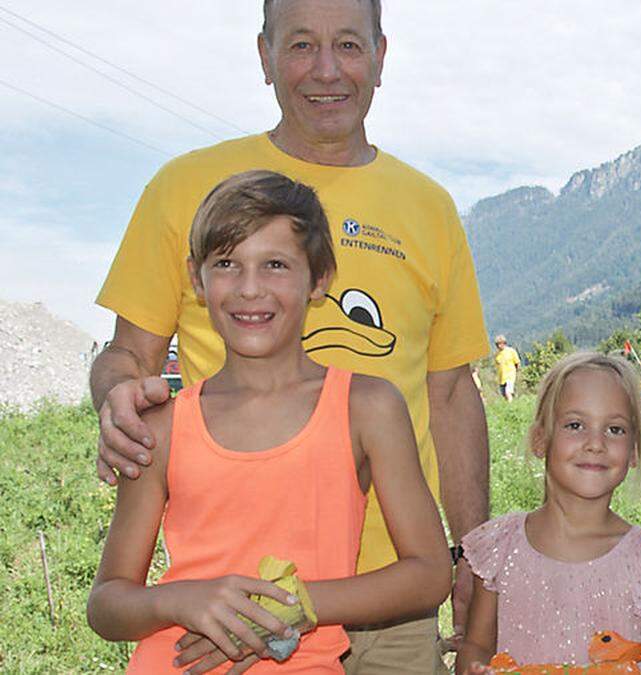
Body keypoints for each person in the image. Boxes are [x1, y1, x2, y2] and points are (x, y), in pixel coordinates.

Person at [89, 1, 490, 671]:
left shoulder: (430, 207)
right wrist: (116, 400)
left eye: (348, 46)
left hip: (390, 594)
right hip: (220, 616)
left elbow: (451, 393)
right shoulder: (184, 186)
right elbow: (127, 355)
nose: (326, 70)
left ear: (381, 56)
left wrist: (472, 552)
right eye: (301, 44)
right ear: (264, 54)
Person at [87, 171, 452, 673]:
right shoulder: (165, 425)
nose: (249, 288)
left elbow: (430, 574)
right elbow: (107, 604)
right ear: (197, 279)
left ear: (319, 278)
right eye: (227, 265)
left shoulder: (366, 406)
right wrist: (180, 602)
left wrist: (294, 606)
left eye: (275, 264)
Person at [456, 352, 641, 675]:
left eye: (615, 429)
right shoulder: (501, 548)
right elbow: (478, 644)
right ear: (540, 440)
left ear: (634, 450)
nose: (595, 443)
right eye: (575, 425)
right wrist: (473, 667)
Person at [492, 335, 520, 401]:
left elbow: (517, 362)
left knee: (508, 392)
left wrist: (517, 371)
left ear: (504, 343)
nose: (499, 346)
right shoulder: (497, 355)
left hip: (510, 375)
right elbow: (497, 366)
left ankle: (511, 406)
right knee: (504, 394)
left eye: (500, 343)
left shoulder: (511, 351)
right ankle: (510, 404)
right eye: (498, 344)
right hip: (502, 378)